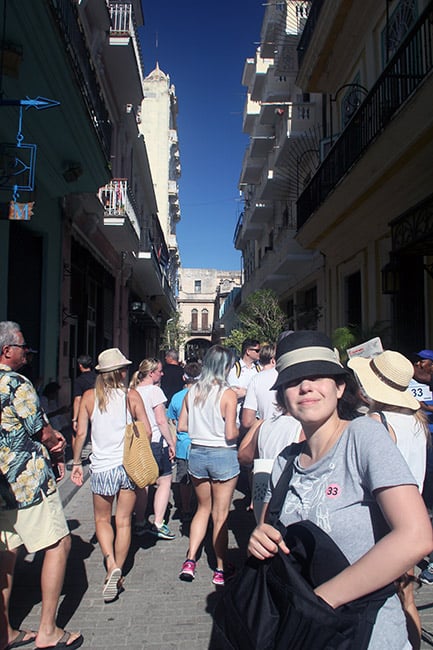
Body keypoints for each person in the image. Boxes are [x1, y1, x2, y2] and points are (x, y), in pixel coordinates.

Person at [248, 330, 433, 650]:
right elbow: (270, 529)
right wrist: (260, 536)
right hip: (310, 635)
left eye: (318, 376)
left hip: (368, 634)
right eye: (293, 380)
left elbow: (416, 536)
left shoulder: (364, 437)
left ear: (340, 386)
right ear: (282, 399)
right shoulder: (285, 461)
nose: (305, 386)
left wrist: (322, 599)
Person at [0, 321, 83, 650]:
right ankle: (48, 630)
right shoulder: (16, 383)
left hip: (2, 485)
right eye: (22, 347)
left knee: (7, 551)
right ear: (7, 351)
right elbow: (40, 430)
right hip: (26, 482)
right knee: (59, 545)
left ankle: (4, 631)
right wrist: (57, 446)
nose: (27, 352)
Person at [348, 349, 429, 649]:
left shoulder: (375, 421)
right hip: (412, 516)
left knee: (378, 601)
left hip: (382, 522)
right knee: (406, 596)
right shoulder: (416, 419)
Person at [71, 348, 151, 603]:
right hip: (128, 466)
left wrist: (75, 463)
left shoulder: (88, 397)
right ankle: (117, 570)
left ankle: (110, 564)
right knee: (124, 521)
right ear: (121, 372)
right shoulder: (131, 395)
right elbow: (147, 431)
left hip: (102, 466)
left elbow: (81, 435)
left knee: (103, 520)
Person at [177, 345, 239, 586]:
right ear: (224, 366)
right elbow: (230, 433)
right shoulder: (228, 394)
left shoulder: (192, 392)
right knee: (220, 514)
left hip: (197, 454)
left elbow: (182, 425)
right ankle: (220, 568)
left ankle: (190, 560)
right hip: (223, 454)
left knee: (202, 509)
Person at [129, 358, 176, 540]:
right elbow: (161, 420)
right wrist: (171, 442)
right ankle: (158, 522)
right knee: (164, 481)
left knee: (143, 485)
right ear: (151, 373)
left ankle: (139, 521)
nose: (162, 374)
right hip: (156, 441)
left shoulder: (132, 391)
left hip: (139, 442)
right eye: (159, 371)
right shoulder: (155, 391)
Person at [167, 361, 201, 524]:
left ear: (183, 377)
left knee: (184, 480)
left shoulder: (177, 397)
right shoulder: (205, 395)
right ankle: (202, 508)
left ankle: (186, 509)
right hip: (202, 443)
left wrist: (171, 444)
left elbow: (172, 422)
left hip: (183, 444)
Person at [241, 342, 278, 430]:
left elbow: (247, 421)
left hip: (265, 431)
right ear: (273, 360)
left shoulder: (255, 379)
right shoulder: (286, 376)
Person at [71, 355, 96, 462]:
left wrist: (75, 418)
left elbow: (78, 399)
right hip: (97, 408)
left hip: (84, 410)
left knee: (76, 434)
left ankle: (77, 457)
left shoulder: (79, 380)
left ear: (80, 366)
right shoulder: (97, 377)